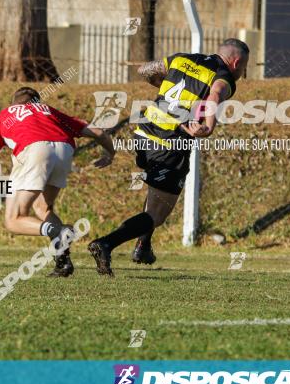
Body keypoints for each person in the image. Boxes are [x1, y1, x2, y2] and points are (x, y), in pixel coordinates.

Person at [87, 38, 249, 276]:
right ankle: (106, 244)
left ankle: (143, 246)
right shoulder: (223, 75)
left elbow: (145, 70)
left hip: (144, 134)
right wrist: (209, 126)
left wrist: (164, 85)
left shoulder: (182, 58)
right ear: (236, 62)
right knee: (157, 214)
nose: (242, 74)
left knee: (155, 195)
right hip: (170, 143)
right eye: (243, 68)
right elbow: (215, 95)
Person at [0, 87, 115, 277]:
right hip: (64, 150)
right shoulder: (49, 111)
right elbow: (97, 131)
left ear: (13, 103)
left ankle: (61, 230)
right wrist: (110, 153)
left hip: (35, 149)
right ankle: (62, 262)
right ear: (37, 102)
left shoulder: (4, 115)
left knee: (14, 220)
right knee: (43, 208)